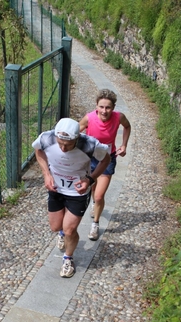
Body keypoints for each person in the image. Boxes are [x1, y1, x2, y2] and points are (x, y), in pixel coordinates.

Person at [32, 118, 110, 278]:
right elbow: (38, 150)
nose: (63, 148)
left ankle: (68, 258)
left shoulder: (89, 144)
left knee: (70, 229)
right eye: (60, 143)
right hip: (56, 189)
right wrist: (46, 174)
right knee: (56, 227)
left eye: (68, 145)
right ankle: (63, 234)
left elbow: (106, 159)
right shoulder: (46, 138)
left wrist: (90, 179)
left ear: (77, 138)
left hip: (77, 192)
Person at [79, 89, 131, 240]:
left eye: (108, 107)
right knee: (93, 187)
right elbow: (74, 133)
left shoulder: (118, 117)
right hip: (90, 159)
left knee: (100, 195)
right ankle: (95, 205)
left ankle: (95, 224)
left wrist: (124, 145)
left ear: (113, 108)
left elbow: (127, 126)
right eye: (101, 107)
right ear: (96, 106)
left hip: (107, 160)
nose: (104, 111)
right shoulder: (89, 118)